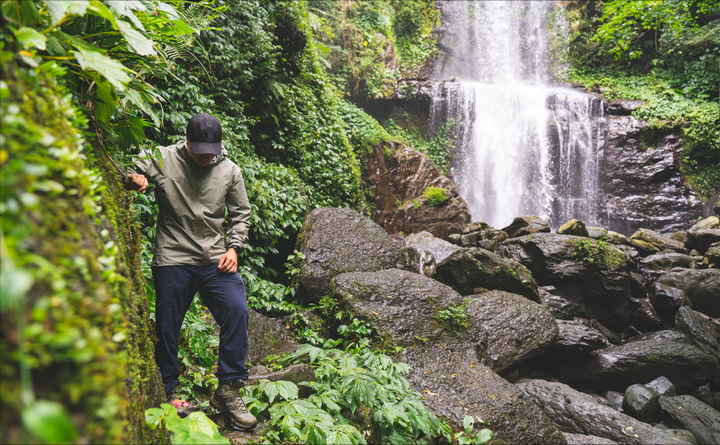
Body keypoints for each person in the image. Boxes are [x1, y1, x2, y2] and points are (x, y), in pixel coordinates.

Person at [127, 113, 257, 430]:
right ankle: (169, 390)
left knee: (237, 311)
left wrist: (234, 248)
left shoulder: (230, 170)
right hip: (173, 256)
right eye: (199, 150)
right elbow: (127, 167)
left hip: (215, 257)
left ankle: (227, 389)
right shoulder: (163, 158)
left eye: (210, 151)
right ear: (186, 138)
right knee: (168, 324)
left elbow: (241, 214)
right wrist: (134, 177)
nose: (204, 157)